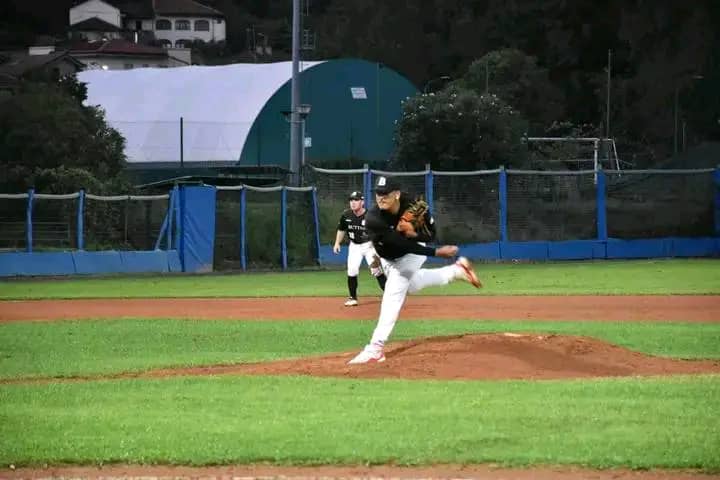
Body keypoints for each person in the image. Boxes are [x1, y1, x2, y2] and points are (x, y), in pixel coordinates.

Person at [347, 176, 481, 364]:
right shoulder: (373, 218)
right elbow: (399, 242)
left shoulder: (412, 206)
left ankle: (375, 348)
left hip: (411, 254)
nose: (381, 198)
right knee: (412, 284)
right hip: (390, 256)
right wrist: (435, 252)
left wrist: (414, 233)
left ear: (397, 194)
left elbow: (430, 235)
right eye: (378, 193)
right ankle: (457, 271)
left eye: (385, 194)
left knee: (393, 293)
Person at [333, 190, 387, 307]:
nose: (353, 202)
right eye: (351, 200)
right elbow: (341, 229)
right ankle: (353, 298)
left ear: (362, 202)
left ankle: (391, 295)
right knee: (352, 271)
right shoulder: (346, 215)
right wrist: (337, 243)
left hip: (369, 246)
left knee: (376, 271)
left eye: (356, 200)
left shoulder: (370, 216)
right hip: (354, 246)